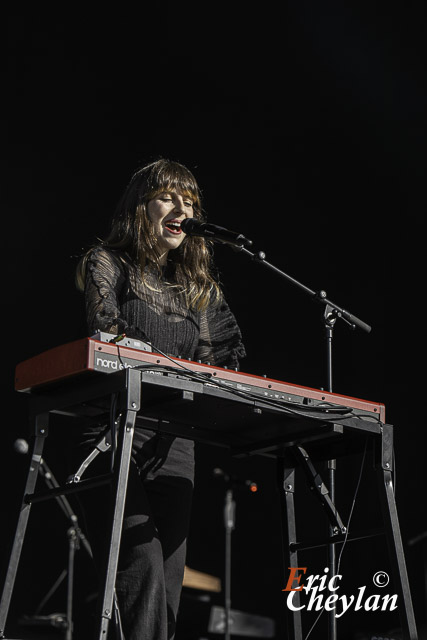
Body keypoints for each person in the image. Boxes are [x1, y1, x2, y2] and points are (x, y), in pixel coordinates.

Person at [74, 158, 246, 640]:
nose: (181, 208)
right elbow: (106, 326)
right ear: (140, 207)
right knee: (142, 568)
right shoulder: (107, 261)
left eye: (189, 201)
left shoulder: (198, 289)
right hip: (114, 430)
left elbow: (227, 362)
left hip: (177, 446)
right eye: (169, 197)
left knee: (169, 581)